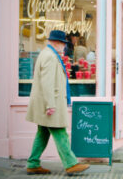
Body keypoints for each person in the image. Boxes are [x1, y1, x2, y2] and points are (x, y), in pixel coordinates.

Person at [25, 30, 89, 176]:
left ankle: (33, 163)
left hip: (46, 103)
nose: (64, 47)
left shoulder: (48, 54)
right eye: (63, 44)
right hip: (49, 104)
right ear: (57, 43)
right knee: (60, 133)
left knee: (42, 134)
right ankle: (71, 164)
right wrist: (50, 105)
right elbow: (47, 83)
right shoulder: (50, 57)